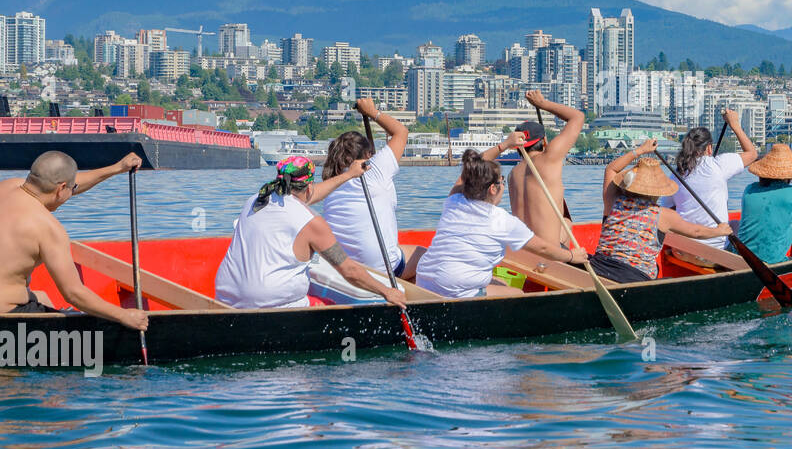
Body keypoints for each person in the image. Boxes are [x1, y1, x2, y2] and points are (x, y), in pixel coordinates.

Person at [215, 156, 407, 310]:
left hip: (226, 297)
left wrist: (350, 174)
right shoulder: (311, 223)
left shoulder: (257, 199)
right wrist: (387, 292)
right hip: (271, 305)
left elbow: (310, 195)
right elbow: (349, 271)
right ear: (308, 187)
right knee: (333, 306)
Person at [0, 150, 149, 329]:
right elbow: (74, 294)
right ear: (61, 188)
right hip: (8, 316)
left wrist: (117, 168)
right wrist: (124, 315)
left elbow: (67, 184)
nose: (72, 192)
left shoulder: (8, 186)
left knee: (42, 296)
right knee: (76, 319)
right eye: (71, 189)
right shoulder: (48, 228)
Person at [417, 145, 586, 298]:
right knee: (517, 294)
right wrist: (571, 256)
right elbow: (542, 248)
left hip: (424, 280)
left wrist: (504, 145)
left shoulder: (454, 201)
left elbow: (469, 172)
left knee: (500, 282)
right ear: (493, 189)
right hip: (455, 290)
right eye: (502, 181)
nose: (504, 185)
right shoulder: (501, 219)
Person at [590, 139, 732, 283]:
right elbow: (696, 232)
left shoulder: (613, 200)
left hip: (598, 268)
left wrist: (640, 150)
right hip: (633, 277)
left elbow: (611, 169)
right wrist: (720, 231)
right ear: (657, 191)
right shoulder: (663, 215)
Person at [320, 98, 422, 280]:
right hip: (382, 270)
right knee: (425, 256)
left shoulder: (331, 184)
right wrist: (372, 112)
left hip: (345, 271)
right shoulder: (376, 170)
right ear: (366, 156)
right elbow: (401, 132)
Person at [662, 108, 758, 250]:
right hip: (716, 249)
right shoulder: (718, 165)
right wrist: (734, 124)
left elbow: (668, 209)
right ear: (709, 148)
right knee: (739, 225)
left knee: (733, 224)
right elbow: (752, 154)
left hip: (684, 248)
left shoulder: (676, 174)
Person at [507, 90, 584, 247]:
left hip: (522, 250)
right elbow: (578, 117)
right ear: (544, 141)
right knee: (567, 223)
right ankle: (565, 263)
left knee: (566, 223)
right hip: (547, 252)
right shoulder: (549, 158)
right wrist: (542, 104)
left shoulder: (512, 174)